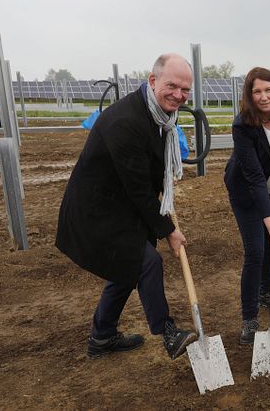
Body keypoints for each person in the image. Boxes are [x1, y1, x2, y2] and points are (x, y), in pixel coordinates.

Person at [56, 54, 197, 360]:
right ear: (152, 81)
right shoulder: (127, 121)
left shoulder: (160, 117)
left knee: (128, 267)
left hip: (121, 205)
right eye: (172, 85)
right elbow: (138, 188)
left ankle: (102, 337)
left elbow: (147, 179)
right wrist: (169, 230)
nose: (179, 95)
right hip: (96, 210)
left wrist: (161, 220)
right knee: (147, 262)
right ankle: (168, 332)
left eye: (185, 89)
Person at [224, 67, 270, 344]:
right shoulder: (242, 125)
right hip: (246, 192)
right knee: (256, 250)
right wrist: (269, 225)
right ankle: (249, 318)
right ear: (249, 95)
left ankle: (266, 293)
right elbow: (254, 179)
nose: (264, 97)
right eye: (257, 91)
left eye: (268, 89)